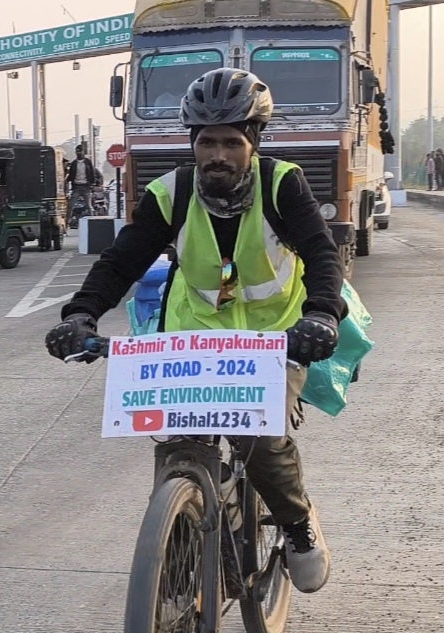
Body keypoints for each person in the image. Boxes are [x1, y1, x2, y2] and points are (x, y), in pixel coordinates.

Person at [45, 68, 348, 594]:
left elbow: (322, 254)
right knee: (177, 449)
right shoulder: (173, 192)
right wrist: (80, 314)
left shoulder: (283, 184)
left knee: (260, 441)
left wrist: (322, 313)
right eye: (207, 141)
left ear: (253, 143)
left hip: (275, 337)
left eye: (232, 142)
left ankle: (299, 527)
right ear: (192, 142)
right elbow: (121, 262)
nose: (218, 155)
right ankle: (178, 566)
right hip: (194, 339)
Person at [65, 145, 95, 225]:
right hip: (76, 187)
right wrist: (66, 182)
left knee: (89, 205)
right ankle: (67, 223)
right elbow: (71, 175)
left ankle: (93, 222)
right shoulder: (74, 163)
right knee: (71, 205)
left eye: (80, 151)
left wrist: (92, 184)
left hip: (86, 187)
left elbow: (92, 173)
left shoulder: (88, 162)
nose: (78, 153)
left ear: (83, 152)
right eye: (77, 151)